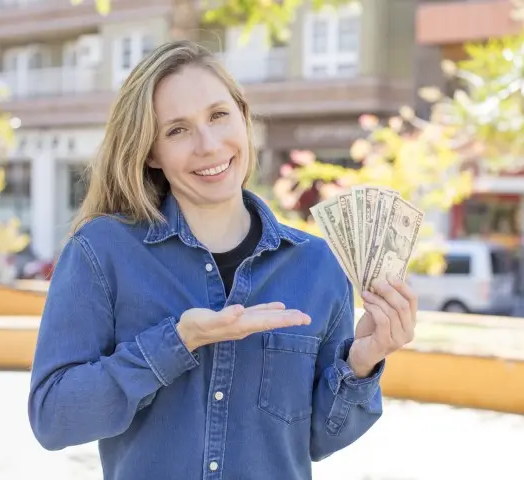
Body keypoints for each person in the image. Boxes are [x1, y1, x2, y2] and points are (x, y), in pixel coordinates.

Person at [28, 40, 417, 480]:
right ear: (151, 151)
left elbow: (319, 440)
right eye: (177, 130)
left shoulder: (319, 266)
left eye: (218, 115)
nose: (209, 145)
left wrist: (362, 361)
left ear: (243, 117)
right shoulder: (102, 252)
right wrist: (177, 342)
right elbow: (53, 418)